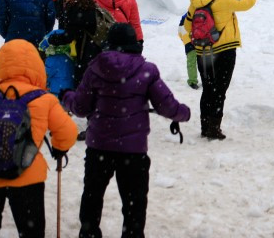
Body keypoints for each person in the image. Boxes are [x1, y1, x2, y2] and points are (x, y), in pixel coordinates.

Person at [63, 23, 191, 238]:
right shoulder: (146, 70)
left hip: (99, 147)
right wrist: (184, 113)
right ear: (135, 44)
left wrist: (66, 97)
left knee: (92, 196)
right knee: (134, 203)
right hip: (133, 151)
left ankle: (89, 234)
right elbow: (167, 106)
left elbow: (81, 108)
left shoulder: (95, 67)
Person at [0, 39, 78, 238]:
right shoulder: (44, 100)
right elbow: (68, 132)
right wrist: (59, 148)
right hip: (27, 175)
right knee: (31, 232)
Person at [181, 0, 256, 140]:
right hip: (224, 51)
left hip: (203, 52)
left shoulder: (195, 0)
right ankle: (214, 128)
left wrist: (197, 41)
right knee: (219, 90)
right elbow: (249, 1)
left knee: (208, 89)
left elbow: (186, 26)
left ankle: (205, 126)